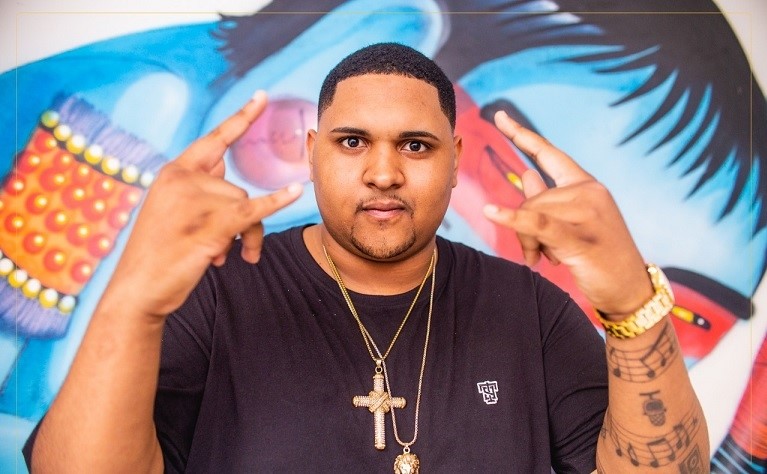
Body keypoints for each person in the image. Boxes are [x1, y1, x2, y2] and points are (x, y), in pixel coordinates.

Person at [24, 43, 708, 473]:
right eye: (352, 143)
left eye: (416, 145)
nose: (383, 173)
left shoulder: (530, 310)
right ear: (313, 152)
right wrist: (134, 298)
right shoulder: (216, 291)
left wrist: (631, 305)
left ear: (454, 160)